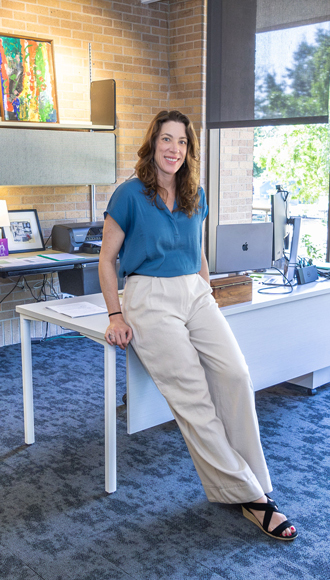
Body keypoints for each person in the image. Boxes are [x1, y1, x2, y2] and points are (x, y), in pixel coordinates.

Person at [98, 110, 297, 541]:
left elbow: (198, 252)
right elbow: (106, 260)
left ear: (189, 150)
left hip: (194, 292)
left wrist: (207, 295)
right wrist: (115, 314)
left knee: (236, 375)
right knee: (194, 399)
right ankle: (253, 497)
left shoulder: (195, 193)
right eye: (166, 140)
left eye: (182, 142)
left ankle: (252, 480)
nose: (173, 149)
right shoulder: (129, 195)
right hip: (149, 297)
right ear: (153, 144)